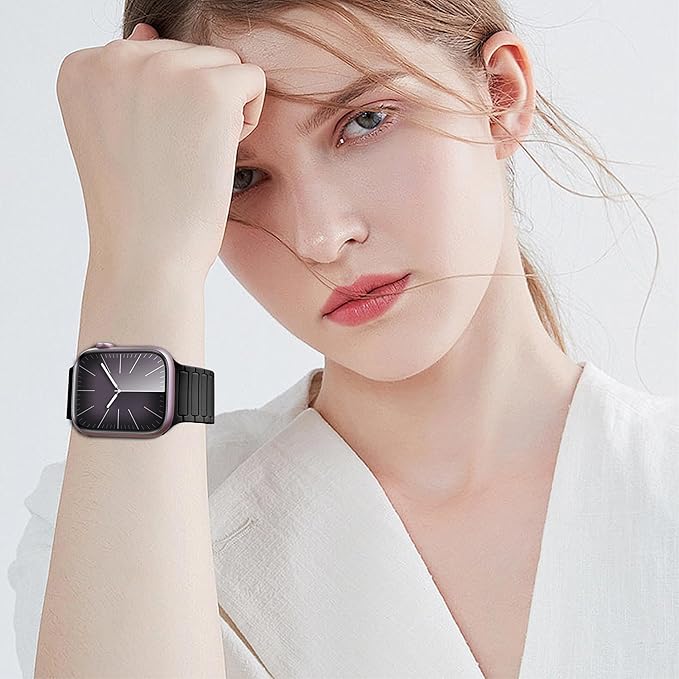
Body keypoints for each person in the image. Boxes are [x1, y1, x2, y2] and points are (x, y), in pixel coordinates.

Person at [8, 2, 678, 678]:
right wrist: (140, 265)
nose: (321, 236)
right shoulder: (111, 511)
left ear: (500, 96)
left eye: (364, 120)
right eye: (240, 177)